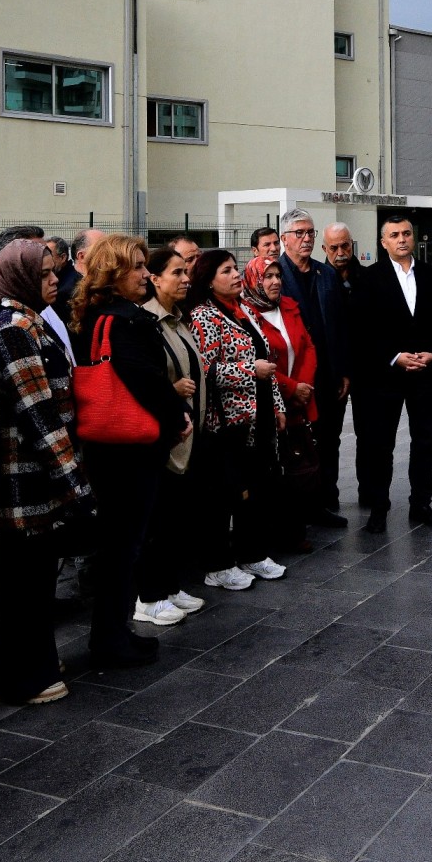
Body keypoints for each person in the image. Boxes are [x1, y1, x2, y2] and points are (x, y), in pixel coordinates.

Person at [0, 238, 93, 705]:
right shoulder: (14, 326)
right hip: (23, 475)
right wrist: (76, 484)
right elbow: (39, 414)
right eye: (43, 274)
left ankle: (28, 664)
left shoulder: (23, 319)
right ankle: (18, 675)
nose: (53, 281)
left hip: (30, 473)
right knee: (23, 580)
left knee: (30, 578)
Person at [71, 234, 192, 666]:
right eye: (138, 267)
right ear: (114, 273)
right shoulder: (129, 321)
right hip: (132, 449)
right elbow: (147, 380)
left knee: (117, 546)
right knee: (124, 546)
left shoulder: (91, 317)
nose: (145, 274)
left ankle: (113, 633)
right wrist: (176, 416)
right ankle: (111, 639)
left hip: (102, 446)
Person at [188, 249, 290, 586]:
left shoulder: (244, 310)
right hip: (226, 421)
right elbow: (204, 368)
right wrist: (249, 370)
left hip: (257, 415)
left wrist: (277, 406)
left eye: (236, 269)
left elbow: (267, 361)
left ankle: (252, 555)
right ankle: (218, 564)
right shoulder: (203, 316)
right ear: (208, 279)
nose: (235, 275)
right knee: (225, 493)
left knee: (257, 488)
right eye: (226, 270)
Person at [350, 209, 432, 533]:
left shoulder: (429, 274)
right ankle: (379, 509)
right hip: (387, 375)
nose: (402, 239)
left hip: (424, 374)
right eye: (394, 235)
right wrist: (394, 357)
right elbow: (363, 330)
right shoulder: (370, 277)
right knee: (382, 445)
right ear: (383, 242)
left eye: (406, 233)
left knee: (424, 442)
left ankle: (421, 505)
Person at [133, 245, 207, 627]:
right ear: (155, 279)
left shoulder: (178, 320)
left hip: (187, 436)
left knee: (175, 517)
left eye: (186, 272)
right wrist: (171, 391)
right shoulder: (145, 322)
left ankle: (169, 584)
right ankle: (149, 596)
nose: (185, 279)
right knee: (155, 520)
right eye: (176, 273)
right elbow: (146, 378)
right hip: (160, 437)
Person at [277, 210, 351, 530]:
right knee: (294, 442)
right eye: (299, 233)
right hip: (293, 377)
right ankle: (294, 506)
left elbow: (340, 327)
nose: (306, 238)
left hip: (329, 375)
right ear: (284, 239)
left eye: (310, 232)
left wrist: (344, 371)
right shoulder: (274, 275)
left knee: (329, 439)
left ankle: (323, 501)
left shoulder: (327, 275)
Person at [241, 253, 320, 554]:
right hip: (272, 400)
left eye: (277, 276)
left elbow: (307, 346)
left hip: (300, 397)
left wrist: (305, 385)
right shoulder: (245, 314)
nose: (275, 282)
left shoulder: (288, 306)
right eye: (268, 277)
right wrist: (290, 388)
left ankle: (295, 530)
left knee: (299, 465)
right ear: (254, 280)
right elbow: (258, 361)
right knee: (273, 470)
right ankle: (271, 534)